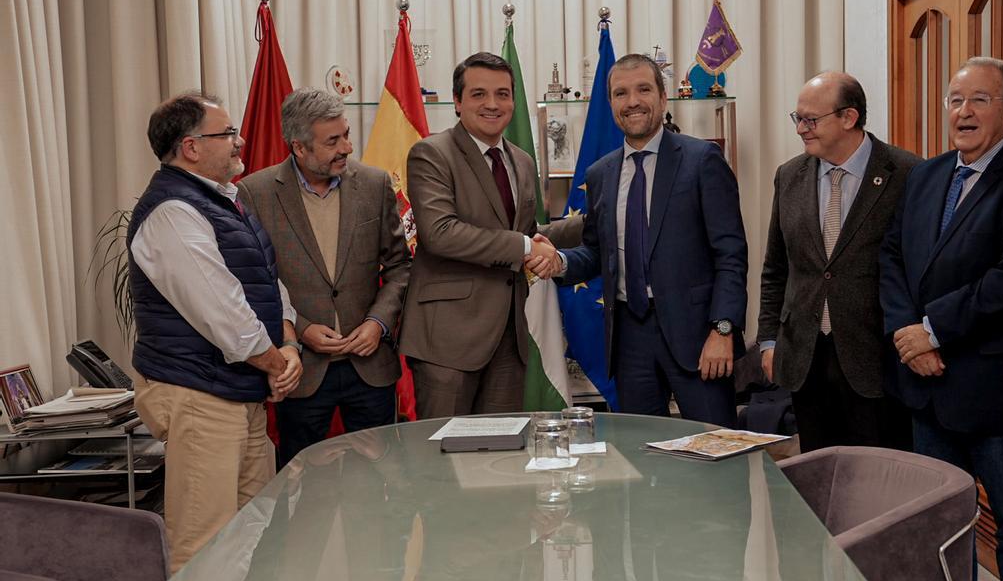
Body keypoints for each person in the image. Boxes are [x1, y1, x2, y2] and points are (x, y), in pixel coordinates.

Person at [879, 56, 1003, 581]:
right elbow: (892, 259)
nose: (964, 111)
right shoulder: (926, 175)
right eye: (955, 99)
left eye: (979, 100)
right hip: (928, 393)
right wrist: (907, 335)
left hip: (1002, 395)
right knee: (940, 529)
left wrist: (933, 333)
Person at [129, 92, 302, 572]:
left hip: (239, 387)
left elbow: (267, 281)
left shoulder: (223, 202)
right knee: (205, 549)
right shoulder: (173, 211)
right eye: (226, 134)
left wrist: (288, 344)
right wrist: (276, 362)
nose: (239, 141)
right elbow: (221, 311)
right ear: (190, 147)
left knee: (255, 534)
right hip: (200, 393)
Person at [547, 53, 749, 426]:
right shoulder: (601, 174)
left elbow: (731, 255)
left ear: (662, 95)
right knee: (645, 453)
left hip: (697, 335)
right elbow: (596, 253)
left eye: (643, 89)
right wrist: (559, 261)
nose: (632, 101)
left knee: (717, 452)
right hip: (629, 337)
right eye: (621, 93)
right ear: (610, 104)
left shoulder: (702, 160)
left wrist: (723, 329)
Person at [237, 87, 411, 467]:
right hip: (301, 371)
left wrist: (377, 324)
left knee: (378, 490)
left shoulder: (374, 184)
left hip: (369, 368)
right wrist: (297, 329)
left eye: (346, 134)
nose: (347, 148)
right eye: (333, 141)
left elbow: (400, 268)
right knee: (299, 495)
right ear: (299, 147)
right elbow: (254, 284)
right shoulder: (256, 193)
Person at [399, 52, 573, 418]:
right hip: (447, 341)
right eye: (479, 94)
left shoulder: (522, 160)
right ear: (458, 102)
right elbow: (440, 233)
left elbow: (522, 234)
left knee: (497, 458)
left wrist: (589, 222)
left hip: (509, 338)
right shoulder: (431, 154)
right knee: (441, 458)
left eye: (503, 94)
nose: (493, 104)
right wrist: (527, 246)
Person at [758, 72, 919, 451]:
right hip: (806, 360)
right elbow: (775, 268)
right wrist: (768, 340)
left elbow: (918, 272)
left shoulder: (907, 174)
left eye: (810, 120)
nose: (800, 129)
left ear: (849, 117)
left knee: (879, 485)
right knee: (819, 481)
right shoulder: (790, 176)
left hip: (877, 361)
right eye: (796, 118)